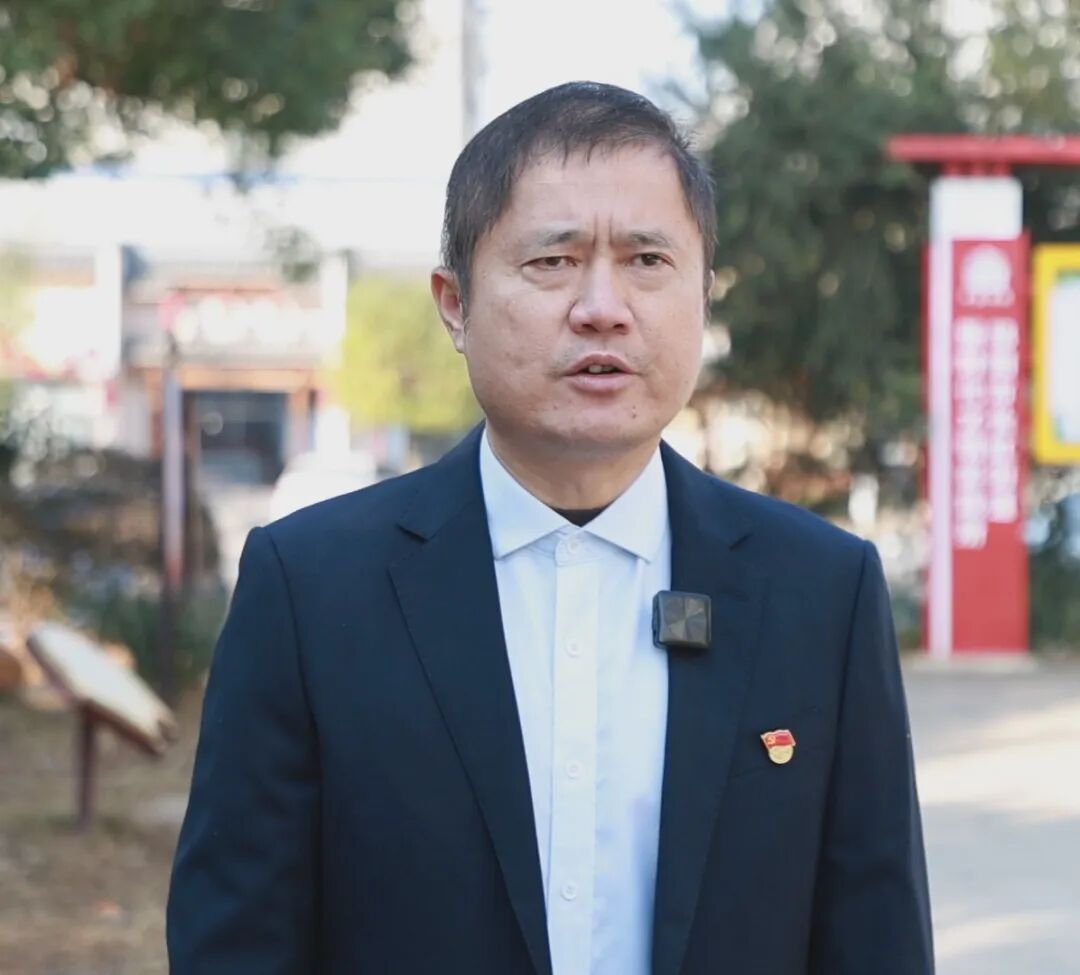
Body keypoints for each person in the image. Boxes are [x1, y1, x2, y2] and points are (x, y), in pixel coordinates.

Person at [167, 82, 933, 975]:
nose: (603, 306)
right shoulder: (312, 589)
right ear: (454, 302)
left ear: (702, 296)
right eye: (553, 261)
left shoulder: (821, 592)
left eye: (647, 259)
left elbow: (876, 936)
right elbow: (236, 941)